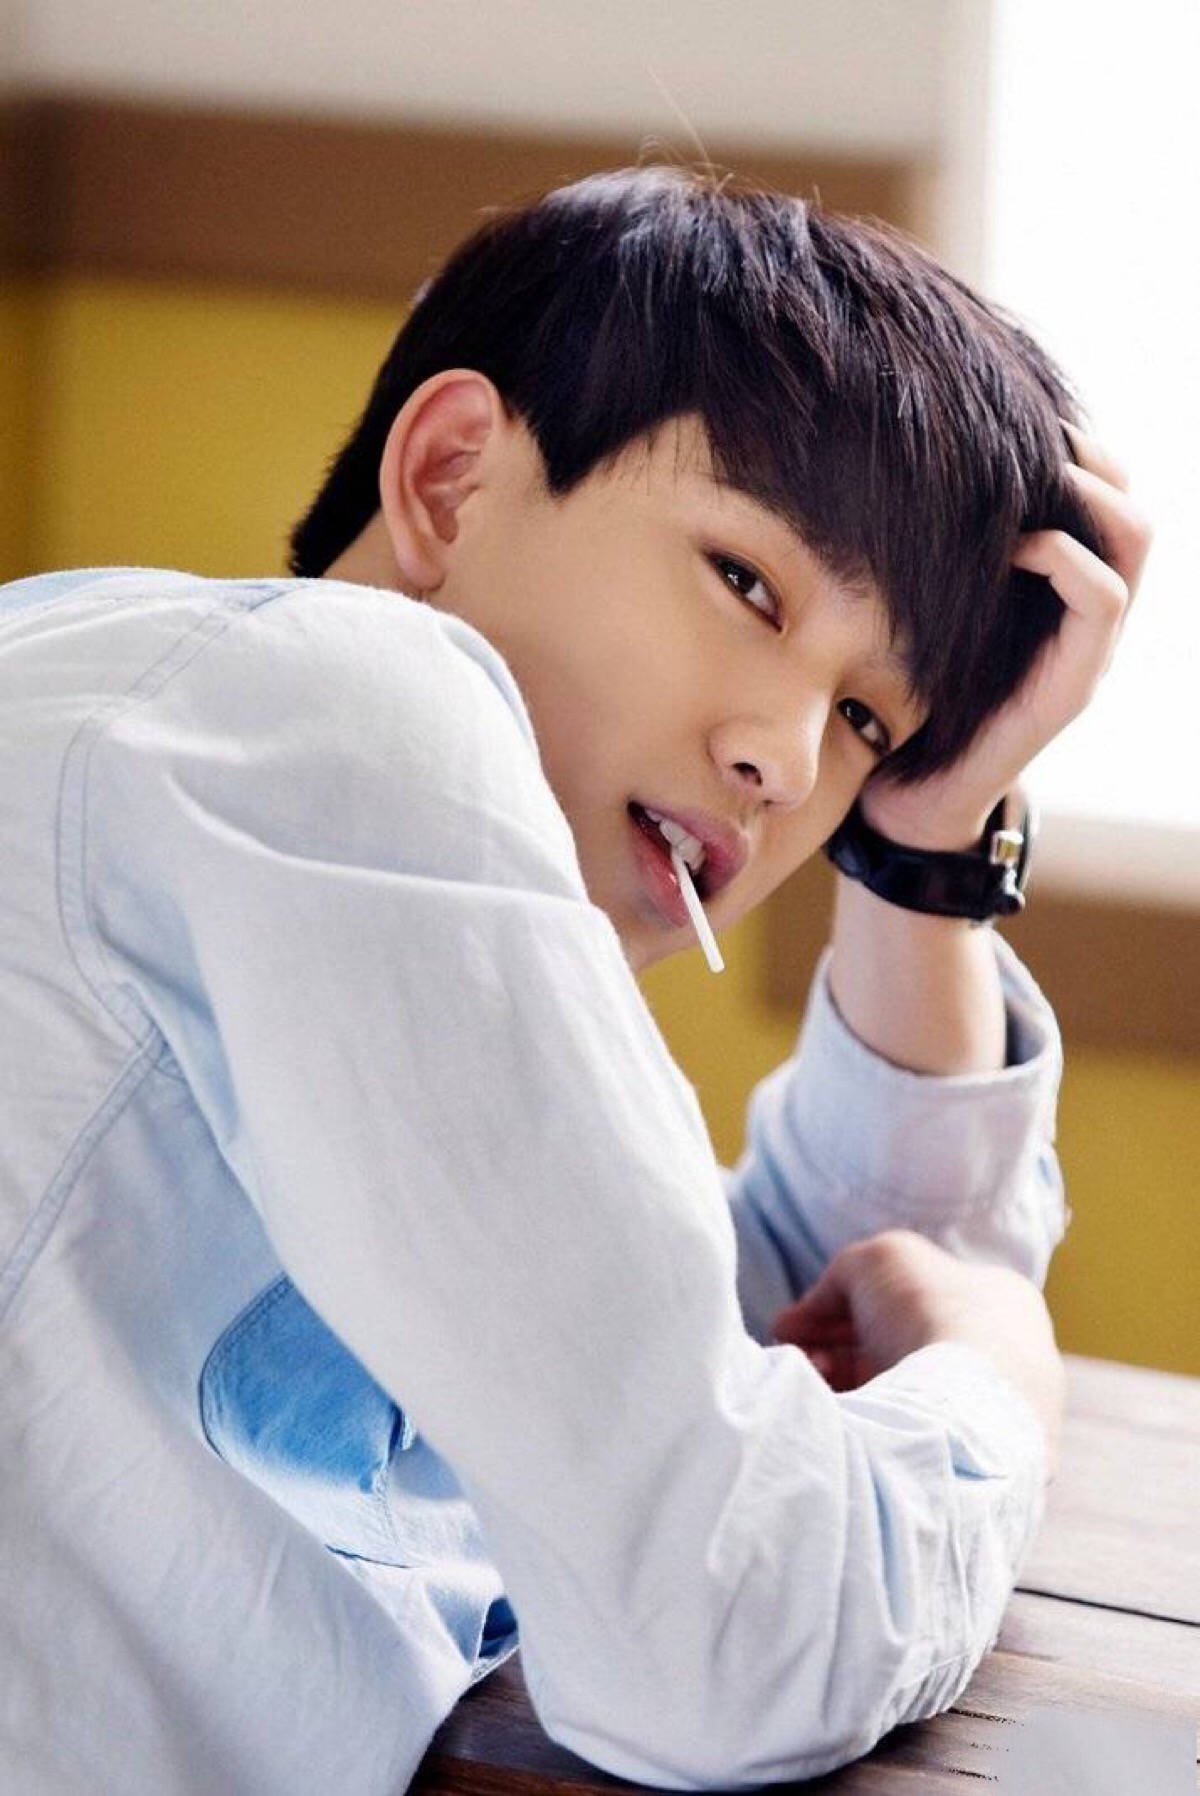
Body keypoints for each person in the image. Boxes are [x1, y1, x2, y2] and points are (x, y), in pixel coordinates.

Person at [0, 166, 1150, 1794]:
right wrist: (999, 1403)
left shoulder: (216, 748)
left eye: (864, 721)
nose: (785, 760)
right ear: (452, 476)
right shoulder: (342, 715)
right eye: (746, 583)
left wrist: (927, 849)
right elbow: (724, 1640)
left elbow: (796, 1321)